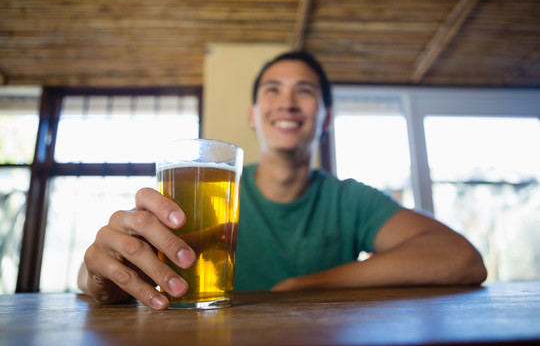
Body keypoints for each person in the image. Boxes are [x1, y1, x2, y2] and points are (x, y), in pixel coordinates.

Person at [78, 51, 487, 310]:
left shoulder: (349, 200)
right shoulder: (206, 193)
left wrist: (303, 285)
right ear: (254, 115)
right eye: (273, 90)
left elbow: (463, 259)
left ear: (325, 118)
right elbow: (104, 275)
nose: (288, 102)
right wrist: (97, 278)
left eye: (304, 91)